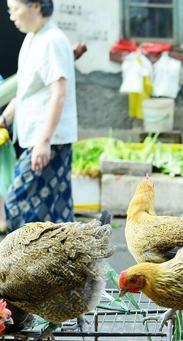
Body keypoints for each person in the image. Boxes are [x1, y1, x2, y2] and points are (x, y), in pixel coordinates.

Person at [1, 0, 77, 232]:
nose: (12, 16)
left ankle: (25, 260)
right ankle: (59, 263)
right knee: (55, 212)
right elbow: (26, 90)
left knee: (17, 202)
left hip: (49, 142)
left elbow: (59, 94)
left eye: (15, 9)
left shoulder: (51, 40)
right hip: (38, 139)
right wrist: (5, 119)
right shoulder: (33, 38)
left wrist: (43, 141)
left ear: (35, 6)